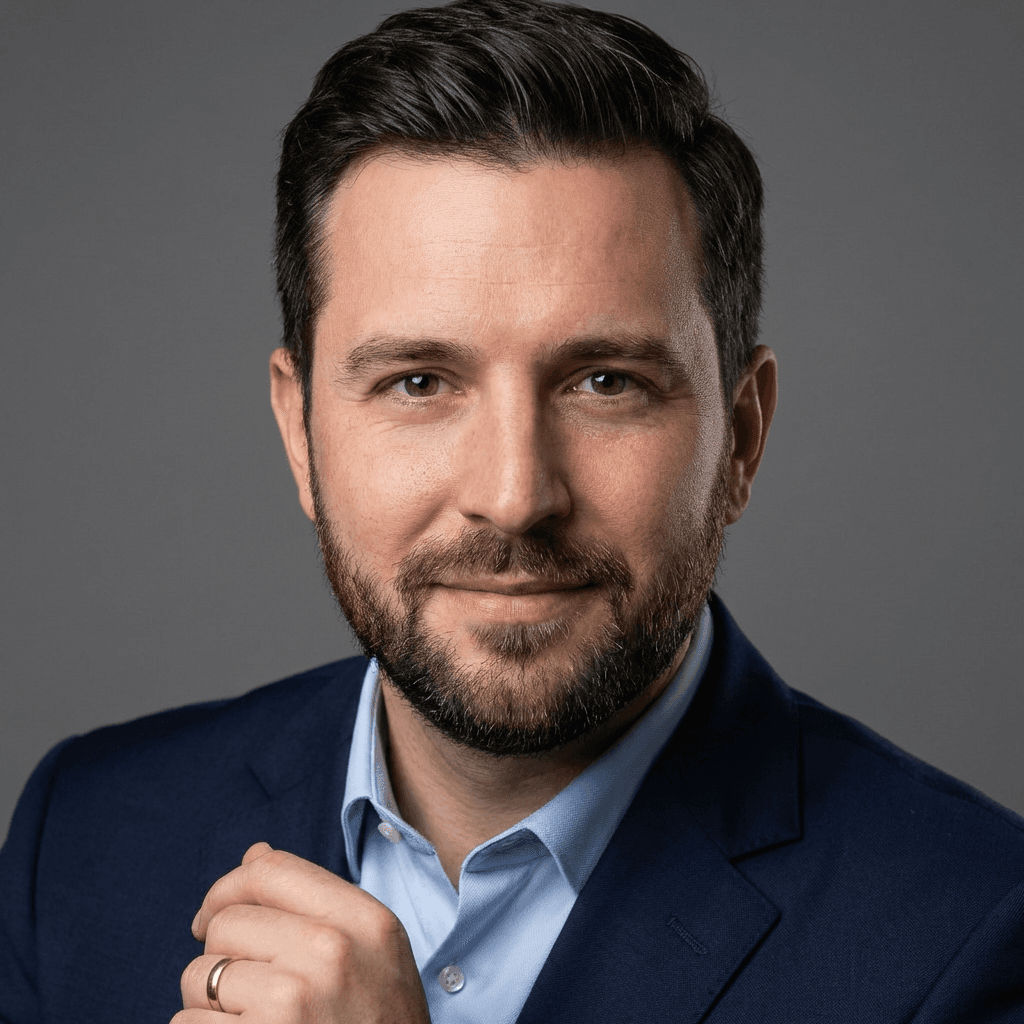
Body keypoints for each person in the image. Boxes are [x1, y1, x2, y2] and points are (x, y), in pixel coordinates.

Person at [2, 0, 1022, 1021]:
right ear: (298, 431)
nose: (514, 496)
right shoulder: (82, 836)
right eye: (417, 382)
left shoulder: (974, 929)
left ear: (742, 436)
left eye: (605, 382)